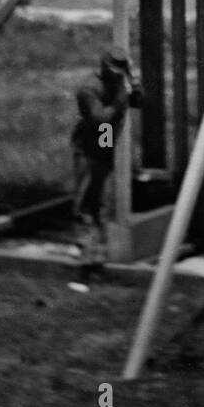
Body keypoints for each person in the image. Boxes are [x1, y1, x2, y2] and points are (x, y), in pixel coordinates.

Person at [71, 46, 143, 262]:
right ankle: (83, 244)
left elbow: (138, 102)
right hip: (88, 146)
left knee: (103, 194)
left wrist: (135, 85)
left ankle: (102, 244)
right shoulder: (89, 89)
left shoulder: (119, 83)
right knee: (86, 194)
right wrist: (121, 98)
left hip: (106, 143)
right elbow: (101, 120)